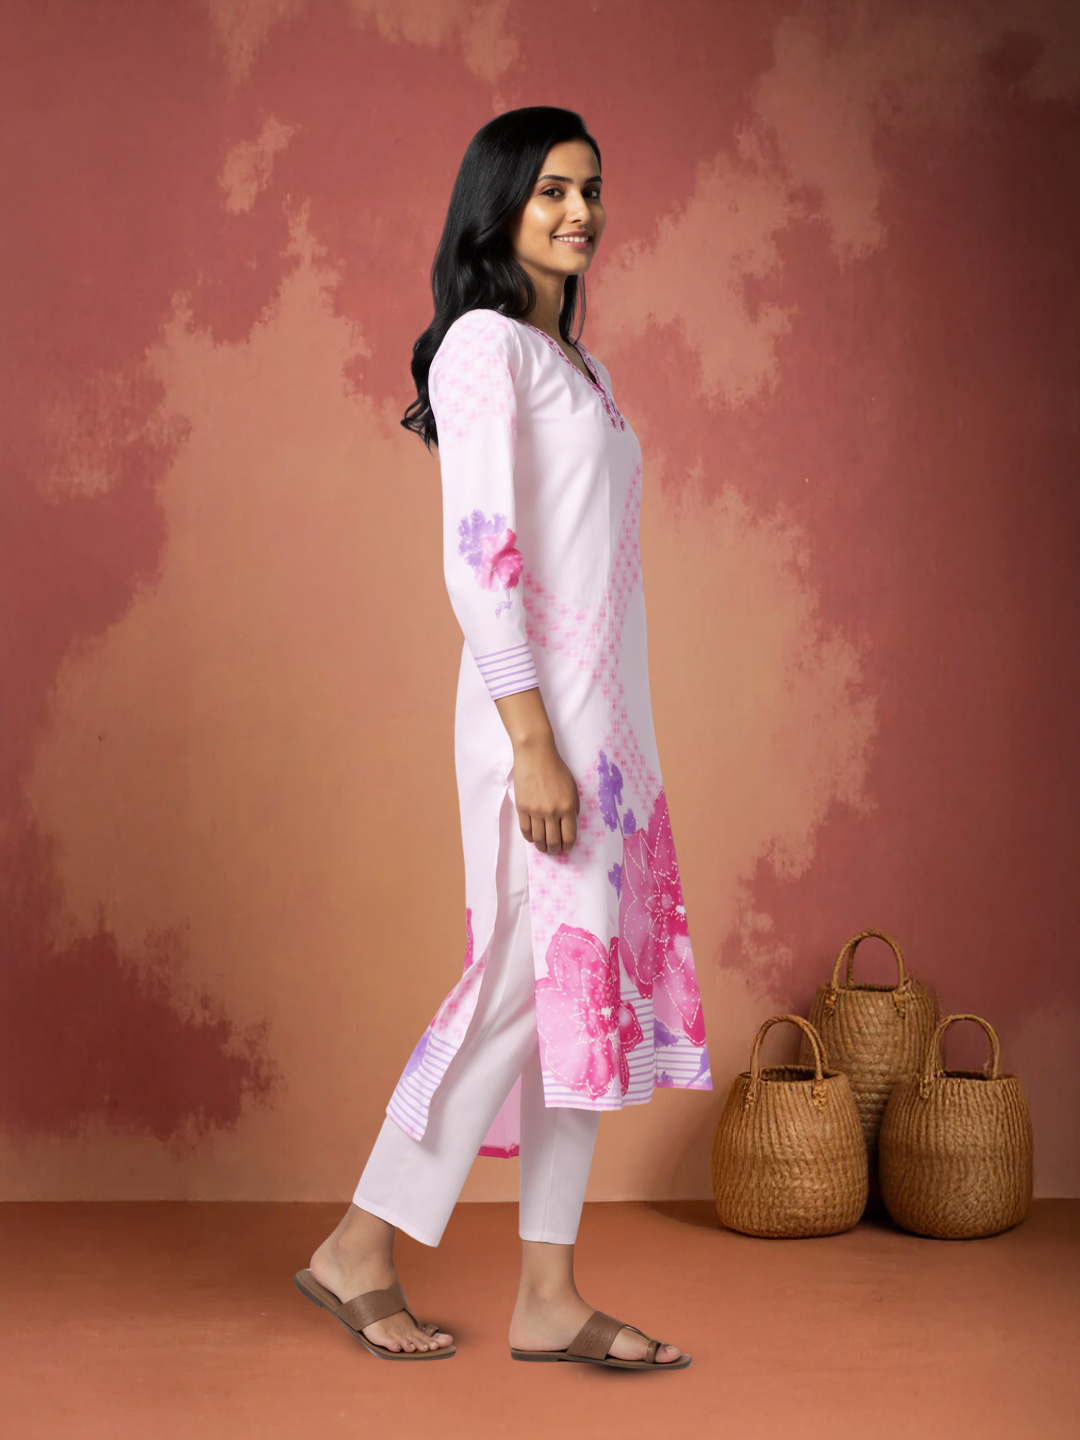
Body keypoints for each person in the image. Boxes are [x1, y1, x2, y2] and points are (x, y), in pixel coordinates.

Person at [294, 107, 711, 1371]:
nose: (581, 212)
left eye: (591, 189)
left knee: (575, 1005)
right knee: (518, 989)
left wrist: (612, 750)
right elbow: (481, 561)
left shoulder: (580, 366)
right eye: (552, 192)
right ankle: (357, 1246)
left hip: (608, 738)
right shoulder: (484, 346)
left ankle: (548, 1296)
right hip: (534, 723)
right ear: (500, 205)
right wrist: (531, 738)